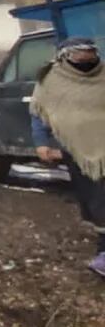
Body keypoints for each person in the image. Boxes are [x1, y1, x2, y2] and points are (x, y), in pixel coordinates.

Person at [30, 37, 105, 278]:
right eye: (80, 56)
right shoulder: (50, 81)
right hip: (79, 153)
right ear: (65, 56)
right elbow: (39, 112)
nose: (86, 60)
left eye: (90, 55)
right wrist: (41, 143)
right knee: (96, 200)